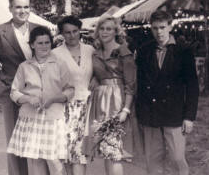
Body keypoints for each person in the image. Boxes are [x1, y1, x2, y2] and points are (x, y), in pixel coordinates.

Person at [0, 0, 49, 175]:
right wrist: (3, 88)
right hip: (13, 95)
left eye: (26, 7)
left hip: (42, 95)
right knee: (16, 143)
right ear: (10, 8)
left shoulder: (40, 29)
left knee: (43, 142)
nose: (22, 11)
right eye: (18, 7)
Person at [136, 10, 199, 175]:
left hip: (175, 114)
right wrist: (140, 114)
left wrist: (189, 116)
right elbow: (140, 84)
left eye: (163, 27)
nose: (159, 32)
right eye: (155, 28)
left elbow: (192, 86)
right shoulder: (144, 51)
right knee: (152, 160)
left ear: (170, 26)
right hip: (150, 114)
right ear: (151, 28)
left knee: (177, 158)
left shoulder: (183, 51)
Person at [7, 26, 74, 175]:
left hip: (53, 117)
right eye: (40, 43)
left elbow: (70, 90)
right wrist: (28, 98)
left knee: (54, 160)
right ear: (32, 45)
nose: (44, 46)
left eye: (47, 42)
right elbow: (14, 92)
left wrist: (55, 98)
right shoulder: (24, 66)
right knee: (35, 160)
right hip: (31, 118)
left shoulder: (59, 64)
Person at [84, 14, 138, 175]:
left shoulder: (123, 52)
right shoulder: (96, 52)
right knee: (105, 151)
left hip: (117, 101)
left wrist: (126, 110)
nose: (105, 32)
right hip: (100, 102)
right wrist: (95, 77)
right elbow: (98, 72)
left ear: (116, 32)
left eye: (109, 29)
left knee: (114, 152)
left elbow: (131, 84)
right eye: (102, 28)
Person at [52, 15, 95, 175]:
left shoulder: (90, 50)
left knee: (79, 151)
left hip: (87, 107)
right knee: (66, 151)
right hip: (65, 108)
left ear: (80, 31)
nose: (71, 36)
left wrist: (96, 79)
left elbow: (100, 70)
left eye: (75, 31)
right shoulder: (55, 54)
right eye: (67, 32)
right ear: (62, 34)